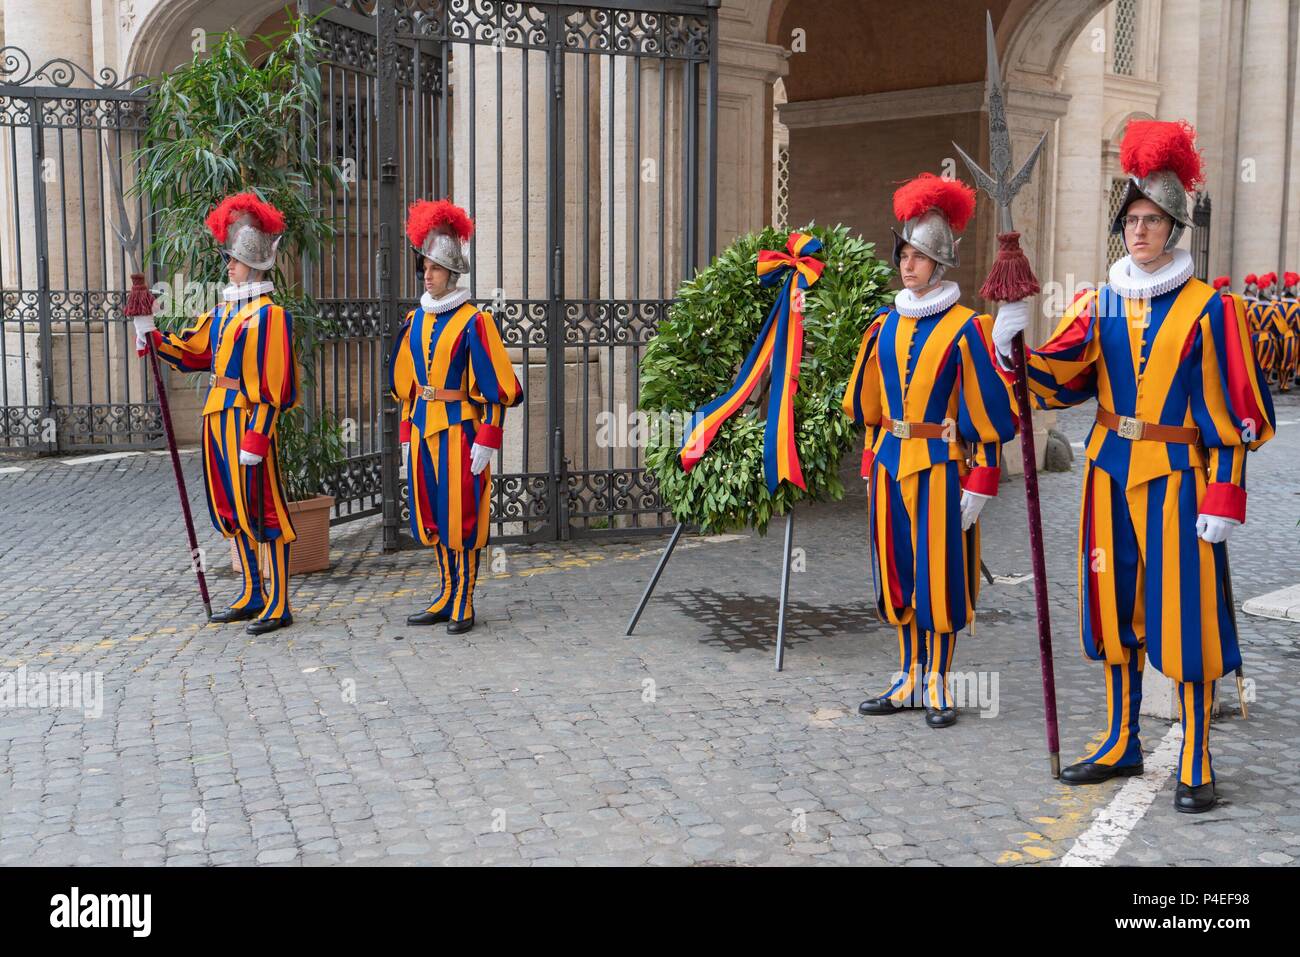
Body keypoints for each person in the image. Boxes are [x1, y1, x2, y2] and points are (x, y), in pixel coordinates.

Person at [993, 120, 1275, 813]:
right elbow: (1059, 379)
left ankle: (1197, 756)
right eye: (1131, 218)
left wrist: (1225, 493)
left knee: (1185, 618)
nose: (1139, 230)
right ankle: (1121, 739)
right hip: (1107, 473)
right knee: (1112, 608)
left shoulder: (1213, 311)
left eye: (1152, 219)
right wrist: (1013, 346)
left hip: (1180, 479)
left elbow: (1238, 408)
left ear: (1175, 227)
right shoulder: (1100, 301)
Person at [842, 173, 1018, 728]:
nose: (907, 265)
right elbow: (870, 409)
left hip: (944, 468)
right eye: (904, 254)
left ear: (940, 265)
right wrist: (871, 461)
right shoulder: (883, 324)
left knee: (937, 577)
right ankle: (907, 677)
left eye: (919, 257)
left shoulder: (969, 328)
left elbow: (987, 412)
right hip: (893, 467)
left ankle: (939, 681)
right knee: (896, 571)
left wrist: (982, 480)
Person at [133, 193, 298, 634]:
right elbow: (192, 351)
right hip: (217, 420)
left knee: (263, 510)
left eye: (234, 260)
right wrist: (151, 334)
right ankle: (251, 592)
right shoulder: (224, 311)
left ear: (255, 263)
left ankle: (278, 602)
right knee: (232, 510)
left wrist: (259, 436)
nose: (228, 266)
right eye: (228, 259)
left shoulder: (270, 316)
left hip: (247, 422)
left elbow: (275, 386)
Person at [388, 199, 523, 634]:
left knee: (461, 514)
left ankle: (464, 598)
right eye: (424, 266)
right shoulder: (414, 319)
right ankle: (446, 592)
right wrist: (407, 431)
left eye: (435, 267)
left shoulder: (474, 321)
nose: (427, 274)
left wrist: (488, 438)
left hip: (460, 432)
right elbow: (405, 387)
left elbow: (499, 390)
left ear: (453, 272)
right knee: (432, 513)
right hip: (425, 427)